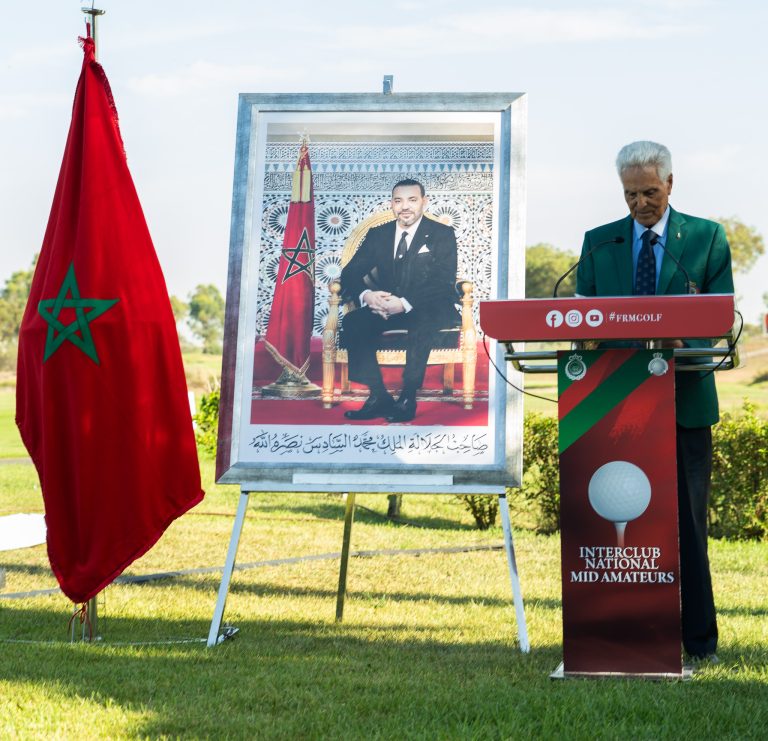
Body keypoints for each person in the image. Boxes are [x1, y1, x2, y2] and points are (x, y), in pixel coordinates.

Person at [576, 140, 734, 664]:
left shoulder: (707, 239)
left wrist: (672, 340)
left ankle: (698, 641)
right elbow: (583, 323)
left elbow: (717, 320)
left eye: (649, 191)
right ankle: (621, 630)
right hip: (614, 407)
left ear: (670, 183)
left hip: (683, 404)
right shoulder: (599, 244)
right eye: (630, 195)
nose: (640, 203)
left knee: (688, 526)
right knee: (613, 520)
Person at [340, 179, 458, 422]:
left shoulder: (442, 234)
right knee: (354, 321)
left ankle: (408, 396)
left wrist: (403, 303)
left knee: (421, 322)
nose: (405, 207)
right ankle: (378, 396)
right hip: (386, 305)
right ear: (392, 204)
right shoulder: (378, 235)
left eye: (412, 200)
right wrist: (368, 296)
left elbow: (442, 281)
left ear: (424, 202)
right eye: (398, 201)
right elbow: (349, 273)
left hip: (429, 305)